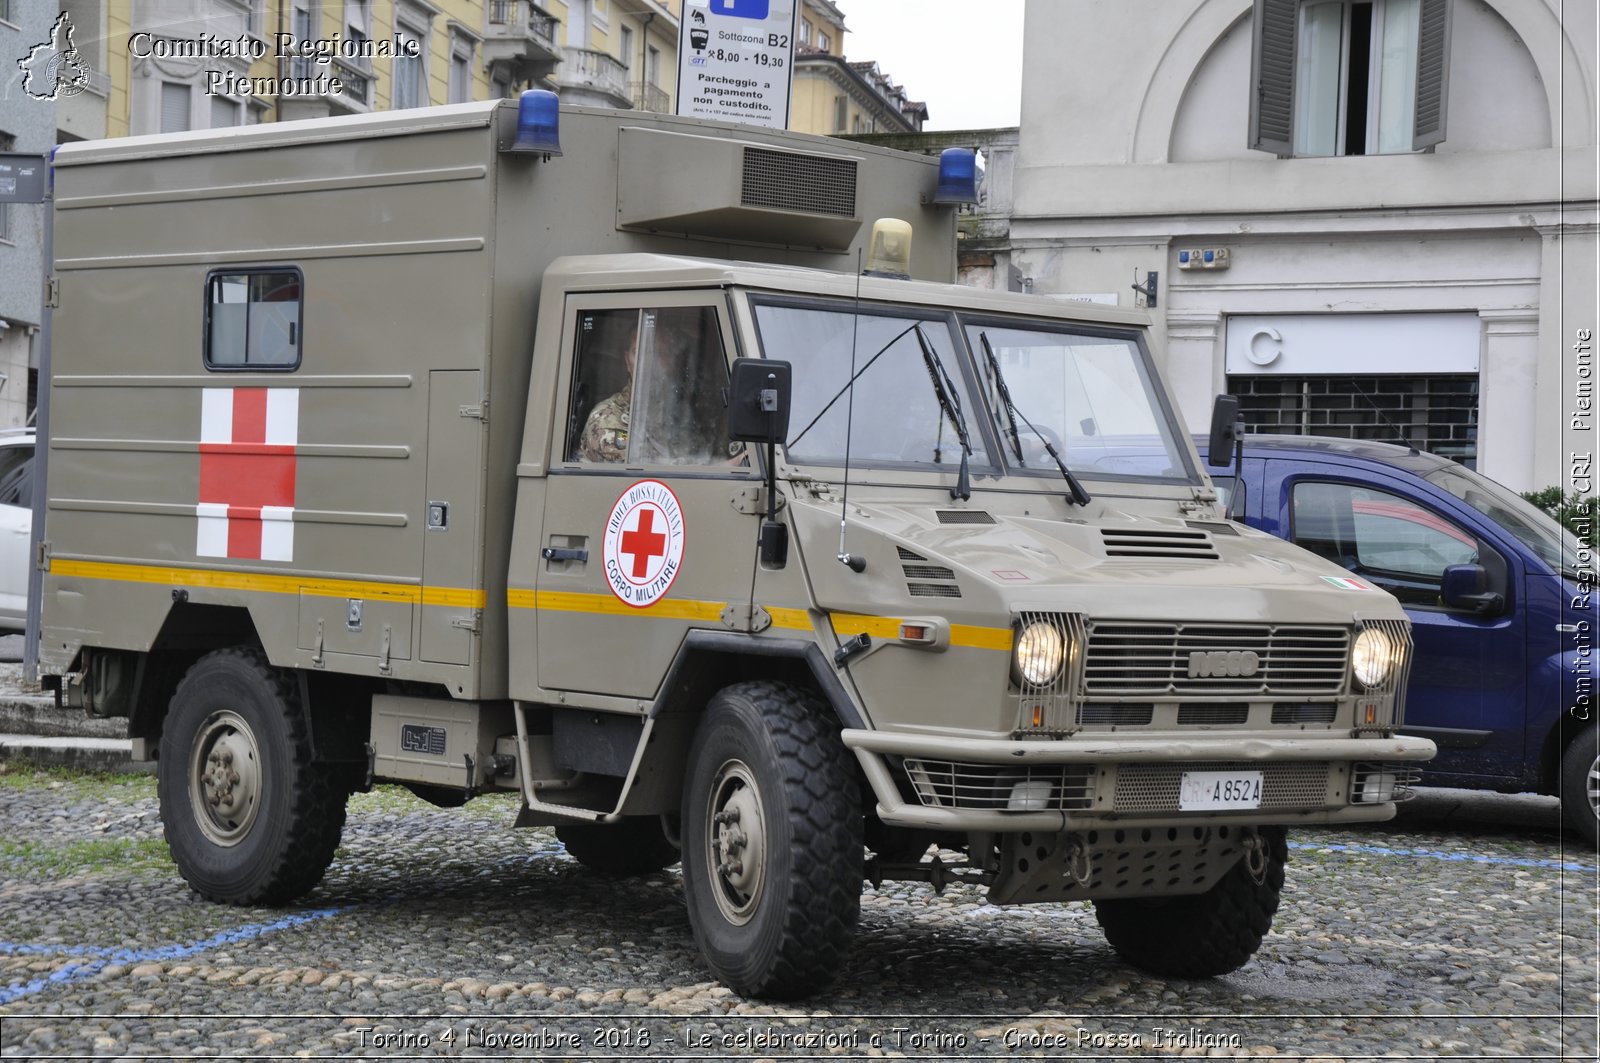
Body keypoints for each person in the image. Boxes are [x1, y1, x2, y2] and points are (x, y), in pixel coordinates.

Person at [579, 325, 637, 462]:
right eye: (639, 352)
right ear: (628, 361)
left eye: (661, 353)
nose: (649, 362)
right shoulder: (607, 417)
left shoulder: (681, 416)